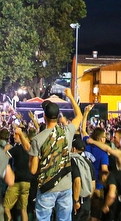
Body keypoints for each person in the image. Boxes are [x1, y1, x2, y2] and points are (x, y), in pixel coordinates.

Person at [30, 89, 85, 221]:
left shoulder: (37, 139)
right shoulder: (67, 132)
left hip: (46, 187)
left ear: (44, 117)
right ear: (57, 116)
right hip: (65, 186)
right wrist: (71, 96)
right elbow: (79, 116)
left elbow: (33, 170)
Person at [5, 126, 33, 221]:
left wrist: (6, 149)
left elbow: (3, 158)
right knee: (23, 210)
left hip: (16, 182)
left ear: (21, 136)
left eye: (15, 135)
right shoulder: (31, 148)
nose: (13, 136)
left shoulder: (16, 149)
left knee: (5, 207)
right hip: (27, 183)